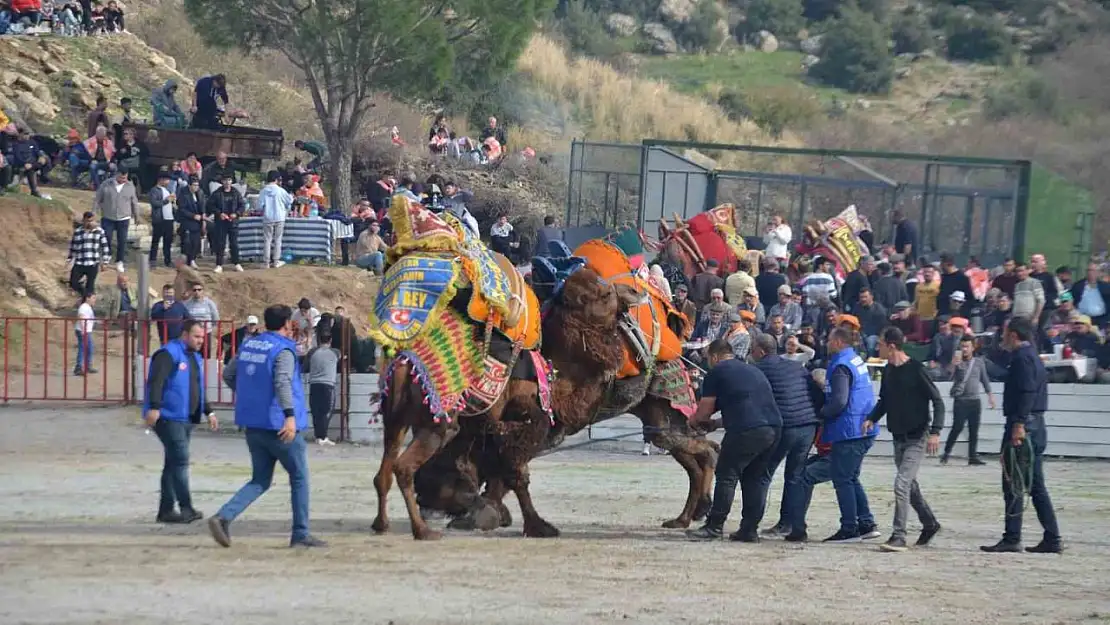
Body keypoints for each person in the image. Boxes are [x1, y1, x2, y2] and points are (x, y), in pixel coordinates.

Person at [209, 304, 326, 549]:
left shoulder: (249, 344)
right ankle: (300, 533)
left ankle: (224, 516)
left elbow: (229, 375)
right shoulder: (283, 349)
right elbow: (282, 382)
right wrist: (290, 416)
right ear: (286, 324)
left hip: (253, 423)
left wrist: (253, 396)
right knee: (300, 477)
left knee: (260, 479)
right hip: (279, 424)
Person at [788, 328, 879, 543]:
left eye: (829, 339)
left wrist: (821, 415)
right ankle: (866, 523)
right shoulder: (854, 359)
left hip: (850, 429)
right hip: (862, 427)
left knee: (843, 479)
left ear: (838, 341)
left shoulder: (840, 365)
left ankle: (850, 528)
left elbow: (839, 401)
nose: (827, 343)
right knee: (851, 477)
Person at [687, 339, 782, 542]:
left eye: (708, 358)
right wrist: (716, 425)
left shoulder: (716, 372)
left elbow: (703, 412)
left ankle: (714, 526)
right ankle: (749, 530)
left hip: (745, 431)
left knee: (726, 475)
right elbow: (745, 406)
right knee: (754, 479)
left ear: (714, 356)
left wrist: (693, 421)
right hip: (773, 428)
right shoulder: (752, 370)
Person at [981, 317, 1062, 554]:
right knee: (1034, 484)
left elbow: (1026, 392)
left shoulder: (1022, 359)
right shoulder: (1032, 356)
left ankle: (1013, 536)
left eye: (1006, 333)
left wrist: (1018, 424)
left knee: (1013, 481)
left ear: (1014, 335)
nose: (1004, 337)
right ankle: (1051, 536)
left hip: (1024, 425)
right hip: (1034, 424)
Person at [864, 326, 944, 552]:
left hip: (917, 436)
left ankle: (899, 535)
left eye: (880, 344)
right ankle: (929, 523)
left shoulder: (917, 370)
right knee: (910, 486)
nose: (877, 348)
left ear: (891, 345)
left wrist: (935, 432)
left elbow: (937, 401)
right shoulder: (889, 370)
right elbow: (885, 400)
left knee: (901, 484)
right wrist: (872, 418)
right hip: (899, 436)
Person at [143, 320, 218, 523]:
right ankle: (186, 508)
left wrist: (208, 411)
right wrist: (155, 407)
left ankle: (166, 511)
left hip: (186, 418)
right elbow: (156, 381)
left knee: (172, 464)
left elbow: (197, 387)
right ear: (184, 335)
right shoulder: (168, 354)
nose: (200, 340)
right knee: (181, 461)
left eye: (202, 337)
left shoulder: (195, 357)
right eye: (196, 336)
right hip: (169, 417)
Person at [751, 334, 821, 538]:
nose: (750, 352)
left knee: (763, 474)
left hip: (786, 426)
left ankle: (751, 525)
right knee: (795, 477)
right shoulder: (796, 367)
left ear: (761, 351)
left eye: (752, 348)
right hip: (808, 425)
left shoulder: (759, 370)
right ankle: (788, 524)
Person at [944, 334, 995, 465]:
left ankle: (972, 456)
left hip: (975, 400)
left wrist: (990, 395)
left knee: (974, 429)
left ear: (973, 348)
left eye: (967, 346)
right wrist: (953, 364)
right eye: (962, 346)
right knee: (957, 427)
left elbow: (984, 379)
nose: (965, 349)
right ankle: (946, 453)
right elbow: (948, 376)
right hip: (961, 400)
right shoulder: (957, 361)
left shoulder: (978, 362)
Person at [94, 168, 139, 273]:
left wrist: (136, 215)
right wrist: (94, 213)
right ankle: (106, 258)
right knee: (106, 238)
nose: (124, 179)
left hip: (124, 217)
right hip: (108, 216)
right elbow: (97, 199)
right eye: (121, 177)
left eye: (125, 177)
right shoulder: (106, 184)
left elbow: (134, 201)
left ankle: (119, 261)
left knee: (122, 241)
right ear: (116, 175)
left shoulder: (130, 186)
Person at [304, 325, 341, 446]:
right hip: (327, 385)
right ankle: (323, 436)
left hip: (314, 384)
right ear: (330, 340)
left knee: (316, 411)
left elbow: (306, 364)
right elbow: (341, 357)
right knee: (326, 411)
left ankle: (318, 436)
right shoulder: (335, 352)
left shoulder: (312, 352)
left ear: (319, 340)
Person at [206, 173, 245, 273]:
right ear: (222, 182)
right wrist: (219, 213)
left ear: (232, 181)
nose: (227, 182)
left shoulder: (236, 192)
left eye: (229, 180)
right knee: (220, 244)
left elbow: (242, 206)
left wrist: (236, 214)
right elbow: (210, 205)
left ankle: (236, 263)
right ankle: (219, 264)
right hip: (221, 222)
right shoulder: (217, 193)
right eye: (225, 180)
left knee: (234, 244)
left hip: (233, 222)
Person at [66, 211, 110, 297]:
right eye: (88, 221)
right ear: (83, 221)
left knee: (90, 286)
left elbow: (105, 247)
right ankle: (86, 295)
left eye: (91, 221)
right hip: (80, 262)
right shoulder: (78, 232)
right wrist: (69, 259)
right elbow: (73, 247)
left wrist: (105, 262)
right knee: (73, 283)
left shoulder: (99, 231)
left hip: (92, 263)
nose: (90, 223)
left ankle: (87, 300)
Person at [257, 170, 292, 268]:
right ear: (277, 179)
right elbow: (289, 200)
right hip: (280, 217)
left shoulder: (263, 191)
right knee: (278, 240)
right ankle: (276, 261)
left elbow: (259, 206)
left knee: (267, 240)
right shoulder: (280, 190)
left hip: (268, 217)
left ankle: (266, 263)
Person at [183, 282, 219, 358]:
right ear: (192, 292)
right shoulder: (187, 304)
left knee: (206, 354)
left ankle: (205, 370)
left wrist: (210, 328)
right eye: (194, 290)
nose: (197, 292)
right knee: (192, 353)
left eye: (199, 290)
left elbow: (215, 318)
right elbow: (183, 317)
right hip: (192, 333)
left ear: (203, 291)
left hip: (206, 332)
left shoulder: (209, 303)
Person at [148, 170, 176, 268]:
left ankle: (167, 260)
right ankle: (152, 260)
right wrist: (166, 200)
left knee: (167, 241)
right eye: (167, 179)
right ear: (161, 180)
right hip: (159, 219)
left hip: (169, 218)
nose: (168, 182)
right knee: (156, 241)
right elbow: (155, 203)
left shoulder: (167, 190)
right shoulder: (154, 190)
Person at [176, 176, 205, 268]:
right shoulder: (183, 194)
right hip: (187, 221)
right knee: (187, 242)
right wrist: (192, 216)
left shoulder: (199, 193)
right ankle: (187, 260)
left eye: (197, 185)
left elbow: (203, 205)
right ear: (189, 185)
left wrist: (203, 214)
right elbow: (182, 209)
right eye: (194, 185)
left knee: (196, 242)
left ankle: (192, 259)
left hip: (198, 221)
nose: (196, 187)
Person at [1071, 262, 1110, 329]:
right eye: (1089, 270)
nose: (1090, 273)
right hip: (1082, 319)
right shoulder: (1078, 285)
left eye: (1093, 270)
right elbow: (1070, 299)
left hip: (1101, 319)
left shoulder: (1105, 286)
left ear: (1098, 273)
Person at [938, 253, 973, 318]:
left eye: (942, 263)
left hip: (957, 316)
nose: (940, 266)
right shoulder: (944, 277)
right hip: (942, 314)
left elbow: (970, 299)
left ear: (947, 263)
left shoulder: (962, 278)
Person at [855, 287, 888, 356]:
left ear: (871, 297)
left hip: (875, 335)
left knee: (870, 342)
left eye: (865, 297)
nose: (863, 299)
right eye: (861, 297)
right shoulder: (857, 307)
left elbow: (884, 328)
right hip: (860, 333)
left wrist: (880, 339)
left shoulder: (879, 309)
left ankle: (871, 364)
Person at [74, 292, 98, 376]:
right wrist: (83, 329)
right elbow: (81, 317)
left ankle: (87, 366)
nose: (95, 300)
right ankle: (78, 367)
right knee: (83, 348)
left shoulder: (88, 307)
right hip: (82, 330)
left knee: (89, 348)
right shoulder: (84, 306)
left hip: (86, 331)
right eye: (93, 298)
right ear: (88, 298)